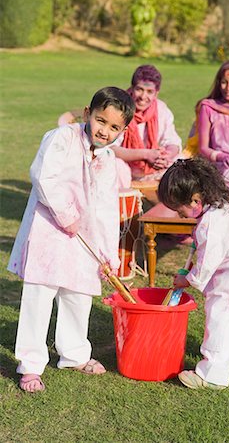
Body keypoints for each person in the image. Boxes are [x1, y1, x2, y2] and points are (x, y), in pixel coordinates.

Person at [8, 87, 135, 393]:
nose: (104, 131)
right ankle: (30, 364)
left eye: (114, 127)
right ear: (87, 114)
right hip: (49, 230)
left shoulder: (109, 160)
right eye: (100, 121)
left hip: (85, 239)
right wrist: (66, 215)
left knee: (78, 295)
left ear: (123, 131)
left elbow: (105, 209)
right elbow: (44, 176)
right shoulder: (61, 137)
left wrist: (109, 255)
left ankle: (74, 354)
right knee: (39, 297)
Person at [158, 157, 229, 389]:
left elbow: (206, 263)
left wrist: (188, 279)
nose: (178, 214)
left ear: (195, 200)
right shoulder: (219, 208)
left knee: (221, 320)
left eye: (178, 209)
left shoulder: (212, 221)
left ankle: (212, 375)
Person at [111, 64, 182, 188]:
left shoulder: (161, 109)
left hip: (154, 165)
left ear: (156, 93)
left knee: (182, 163)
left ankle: (169, 205)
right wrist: (146, 154)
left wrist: (165, 156)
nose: (143, 97)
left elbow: (172, 141)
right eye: (139, 89)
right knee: (117, 166)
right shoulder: (120, 108)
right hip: (128, 166)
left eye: (149, 92)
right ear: (132, 88)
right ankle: (125, 204)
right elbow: (112, 148)